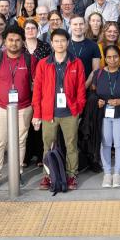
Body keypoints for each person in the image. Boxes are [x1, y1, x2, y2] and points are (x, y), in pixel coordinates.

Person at [0, 26, 37, 191]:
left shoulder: (30, 60)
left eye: (17, 40)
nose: (14, 43)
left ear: (23, 41)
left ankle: (17, 173)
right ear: (5, 41)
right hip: (1, 108)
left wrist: (33, 108)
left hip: (24, 108)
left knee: (20, 142)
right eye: (10, 40)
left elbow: (37, 85)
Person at [33, 28, 87, 191]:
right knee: (47, 145)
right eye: (56, 41)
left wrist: (78, 108)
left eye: (63, 40)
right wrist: (37, 113)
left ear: (68, 42)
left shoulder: (76, 63)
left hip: (70, 112)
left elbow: (81, 90)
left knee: (71, 145)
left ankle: (71, 175)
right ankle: (48, 176)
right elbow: (38, 90)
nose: (59, 44)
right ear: (51, 43)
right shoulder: (43, 64)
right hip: (49, 112)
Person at [93, 45, 120, 188]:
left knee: (119, 143)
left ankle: (117, 173)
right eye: (109, 57)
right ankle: (107, 173)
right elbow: (93, 92)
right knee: (105, 143)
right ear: (104, 59)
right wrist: (97, 101)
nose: (112, 60)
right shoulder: (98, 74)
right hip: (104, 114)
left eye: (115, 56)